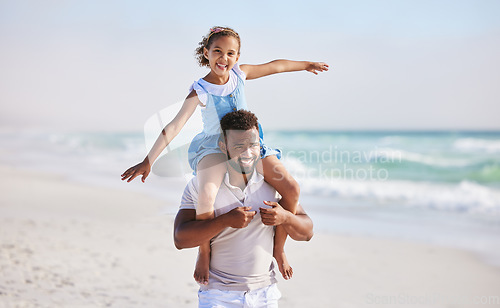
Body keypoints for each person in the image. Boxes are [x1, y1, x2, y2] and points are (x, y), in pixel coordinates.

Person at [121, 26, 327, 284]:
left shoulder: (241, 75)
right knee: (207, 193)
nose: (224, 58)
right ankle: (204, 251)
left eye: (231, 53)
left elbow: (276, 66)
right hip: (214, 147)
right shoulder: (200, 90)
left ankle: (278, 248)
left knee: (292, 187)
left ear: (237, 57)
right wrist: (148, 160)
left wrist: (307, 64)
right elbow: (174, 126)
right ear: (206, 53)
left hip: (250, 144)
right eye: (217, 51)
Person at [174, 110, 314, 307]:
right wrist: (224, 221)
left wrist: (286, 218)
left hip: (265, 295)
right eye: (239, 146)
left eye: (253, 145)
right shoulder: (203, 186)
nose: (248, 154)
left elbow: (307, 232)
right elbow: (180, 239)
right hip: (218, 295)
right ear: (224, 146)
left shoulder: (272, 185)